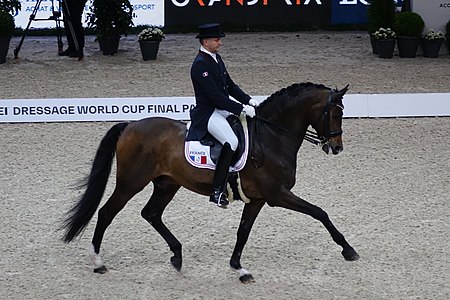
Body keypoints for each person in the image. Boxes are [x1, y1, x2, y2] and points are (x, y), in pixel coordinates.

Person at [186, 23, 258, 208]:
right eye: (217, 40)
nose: (220, 43)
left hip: (221, 109)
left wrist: (249, 100)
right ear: (206, 41)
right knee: (231, 142)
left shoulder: (216, 58)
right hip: (208, 112)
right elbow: (216, 97)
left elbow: (230, 86)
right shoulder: (199, 64)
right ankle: (217, 191)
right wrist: (240, 109)